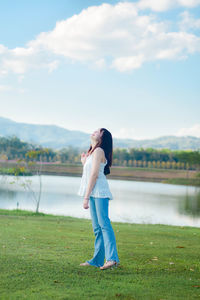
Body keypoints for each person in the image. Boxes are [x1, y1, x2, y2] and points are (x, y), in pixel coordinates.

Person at [77, 128, 120, 270]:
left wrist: (86, 197)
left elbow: (94, 174)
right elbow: (91, 170)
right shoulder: (93, 153)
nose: (94, 132)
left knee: (104, 225)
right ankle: (97, 260)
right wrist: (84, 162)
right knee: (97, 228)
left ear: (102, 138)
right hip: (94, 192)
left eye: (98, 131)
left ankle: (112, 259)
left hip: (99, 192)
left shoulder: (99, 151)